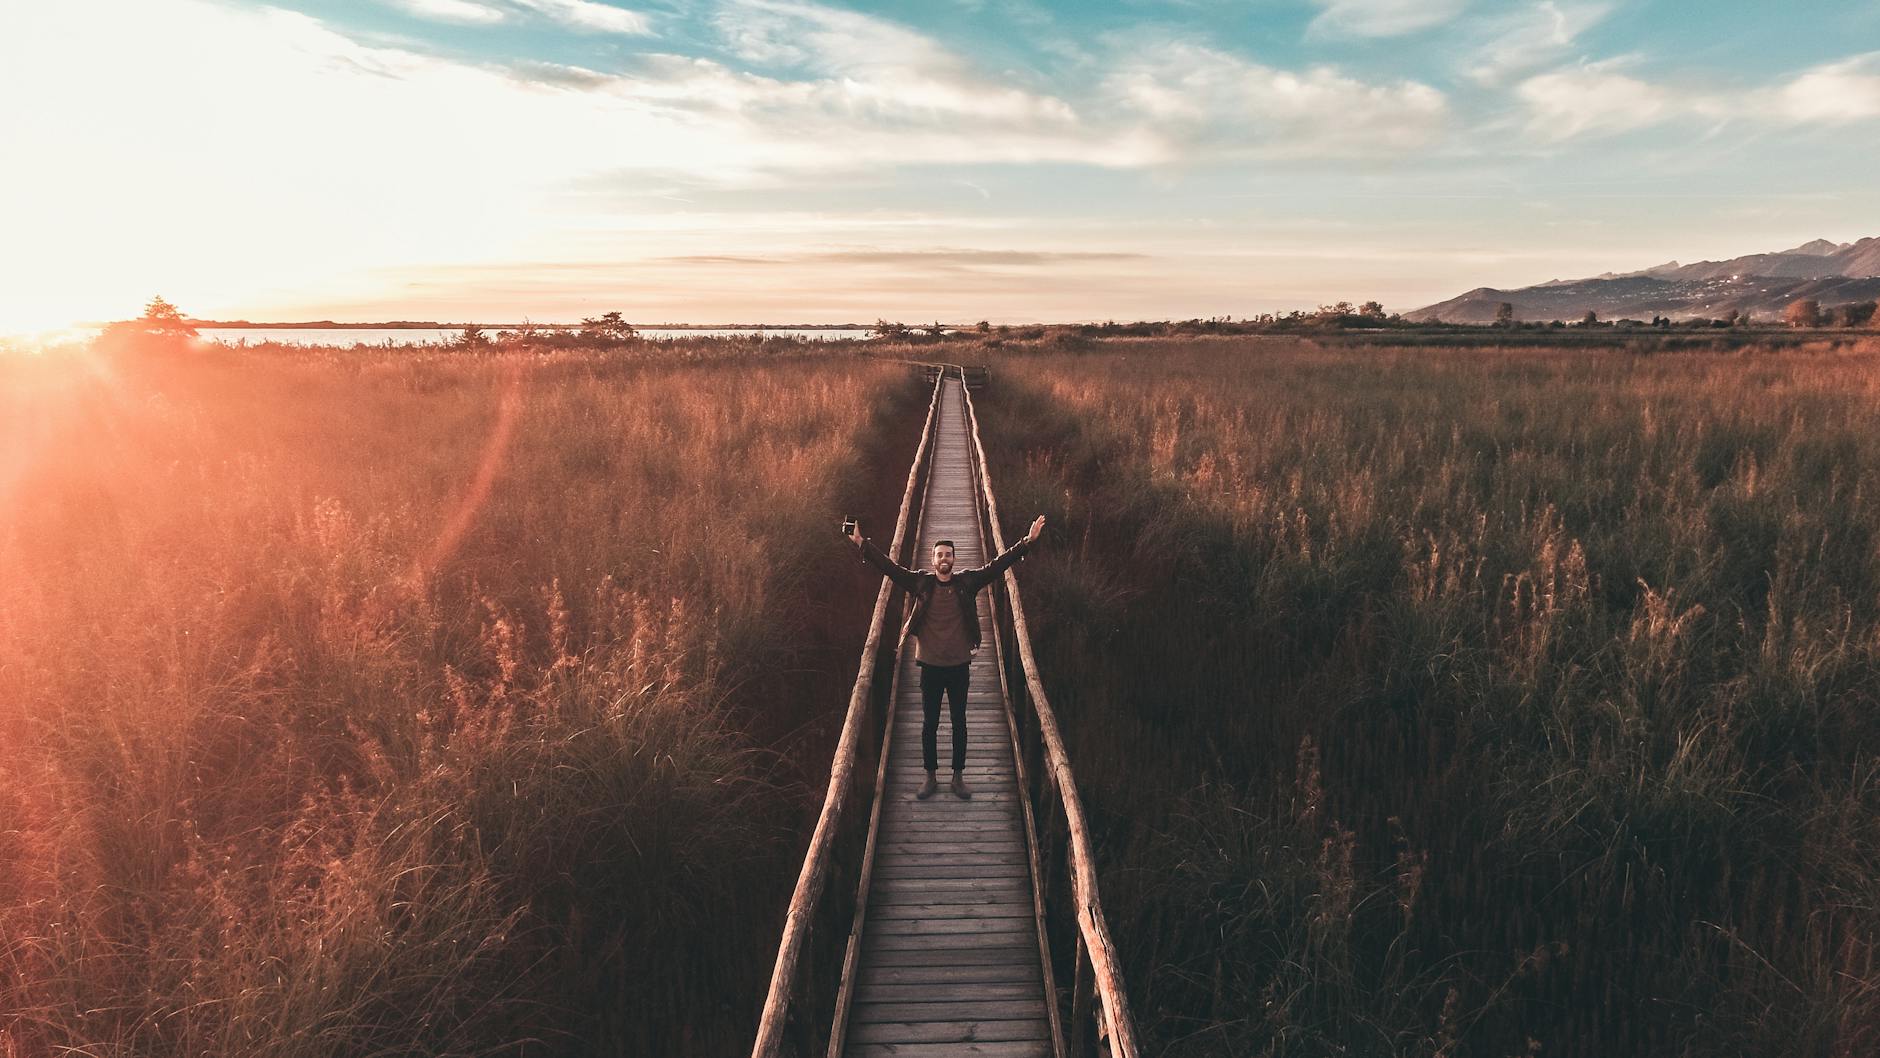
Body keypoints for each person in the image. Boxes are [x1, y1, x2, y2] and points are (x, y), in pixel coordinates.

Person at [846, 514, 1045, 799]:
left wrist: (1027, 542)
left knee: (959, 722)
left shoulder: (967, 582)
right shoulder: (921, 583)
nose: (944, 559)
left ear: (954, 558)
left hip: (959, 667)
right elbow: (889, 568)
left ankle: (958, 777)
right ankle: (929, 776)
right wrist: (861, 543)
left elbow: (999, 565)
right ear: (932, 559)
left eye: (948, 555)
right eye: (939, 555)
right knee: (929, 724)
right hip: (929, 666)